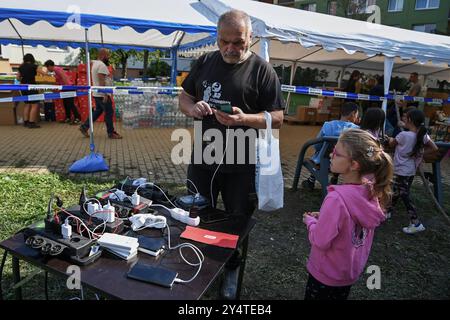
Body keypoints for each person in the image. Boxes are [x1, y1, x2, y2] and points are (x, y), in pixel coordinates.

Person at [179, 9, 284, 300]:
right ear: (217, 37)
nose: (230, 48)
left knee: (235, 223)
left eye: (238, 42)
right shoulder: (204, 62)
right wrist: (192, 108)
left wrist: (245, 120)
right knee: (197, 216)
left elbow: (277, 118)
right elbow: (185, 96)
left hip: (243, 164)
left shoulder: (263, 70)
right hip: (204, 160)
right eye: (224, 41)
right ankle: (199, 266)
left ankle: (232, 270)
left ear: (250, 38)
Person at [303, 129, 393, 300]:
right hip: (347, 275)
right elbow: (349, 221)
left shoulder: (336, 199)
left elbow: (321, 240)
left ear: (354, 165)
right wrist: (324, 216)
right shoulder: (370, 191)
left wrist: (310, 222)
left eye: (336, 153)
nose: (330, 154)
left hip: (325, 274)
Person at [386, 109, 438, 233]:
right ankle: (388, 211)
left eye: (405, 117)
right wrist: (420, 154)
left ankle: (416, 222)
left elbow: (392, 144)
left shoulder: (403, 135)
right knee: (398, 191)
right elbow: (434, 148)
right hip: (410, 170)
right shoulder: (422, 135)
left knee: (403, 194)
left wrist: (388, 138)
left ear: (409, 120)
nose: (403, 118)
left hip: (401, 170)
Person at [302, 102, 359, 190]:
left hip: (324, 160)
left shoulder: (327, 125)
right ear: (353, 114)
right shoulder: (356, 130)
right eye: (357, 114)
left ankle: (311, 180)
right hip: (345, 162)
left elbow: (317, 146)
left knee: (320, 153)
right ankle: (335, 178)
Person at [79, 48, 122, 139]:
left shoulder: (96, 64)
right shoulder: (101, 65)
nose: (109, 58)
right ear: (103, 56)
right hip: (102, 94)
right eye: (107, 56)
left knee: (98, 111)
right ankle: (111, 133)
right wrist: (105, 94)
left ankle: (84, 126)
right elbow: (102, 81)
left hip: (97, 93)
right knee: (109, 112)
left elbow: (104, 78)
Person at [44, 60, 81, 124]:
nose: (47, 69)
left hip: (68, 87)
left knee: (70, 103)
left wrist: (67, 87)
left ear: (50, 66)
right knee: (66, 103)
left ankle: (78, 118)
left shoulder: (57, 69)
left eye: (47, 68)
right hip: (65, 88)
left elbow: (64, 78)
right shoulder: (56, 70)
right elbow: (58, 81)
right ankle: (68, 117)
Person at [17, 53, 46, 128]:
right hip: (32, 86)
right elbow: (43, 73)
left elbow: (17, 78)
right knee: (35, 104)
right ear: (32, 59)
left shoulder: (21, 67)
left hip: (23, 87)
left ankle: (26, 122)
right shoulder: (34, 66)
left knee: (27, 104)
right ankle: (31, 122)